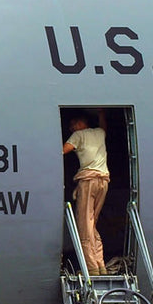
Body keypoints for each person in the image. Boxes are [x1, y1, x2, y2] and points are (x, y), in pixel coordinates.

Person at [63, 110, 111, 275]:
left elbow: (63, 151)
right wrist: (101, 115)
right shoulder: (99, 132)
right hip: (103, 182)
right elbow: (104, 127)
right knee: (92, 225)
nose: (71, 129)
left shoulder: (78, 135)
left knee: (84, 226)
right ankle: (101, 265)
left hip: (88, 180)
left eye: (72, 125)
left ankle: (91, 269)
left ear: (79, 123)